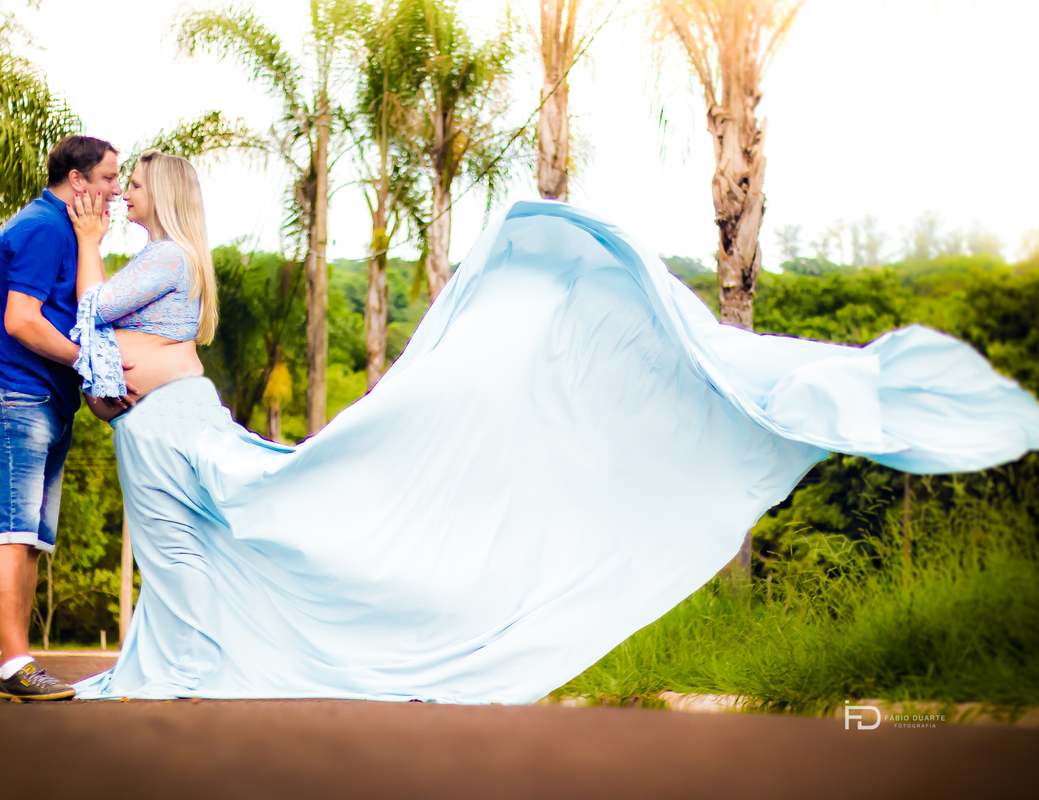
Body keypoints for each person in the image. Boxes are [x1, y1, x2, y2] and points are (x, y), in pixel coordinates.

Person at [66, 162, 1039, 704]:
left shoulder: (160, 257)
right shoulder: (173, 257)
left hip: (167, 420)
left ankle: (183, 671)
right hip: (159, 420)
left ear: (163, 194)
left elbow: (90, 310)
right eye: (122, 181)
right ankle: (181, 665)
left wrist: (86, 236)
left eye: (135, 180)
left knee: (258, 520)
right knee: (213, 542)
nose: (125, 187)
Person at [0, 135, 128, 700]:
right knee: (12, 527)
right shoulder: (42, 227)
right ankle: (14, 666)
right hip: (16, 394)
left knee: (33, 537)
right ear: (77, 180)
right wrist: (89, 361)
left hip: (47, 401)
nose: (117, 190)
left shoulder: (67, 230)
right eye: (109, 178)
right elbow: (21, 320)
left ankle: (22, 664)